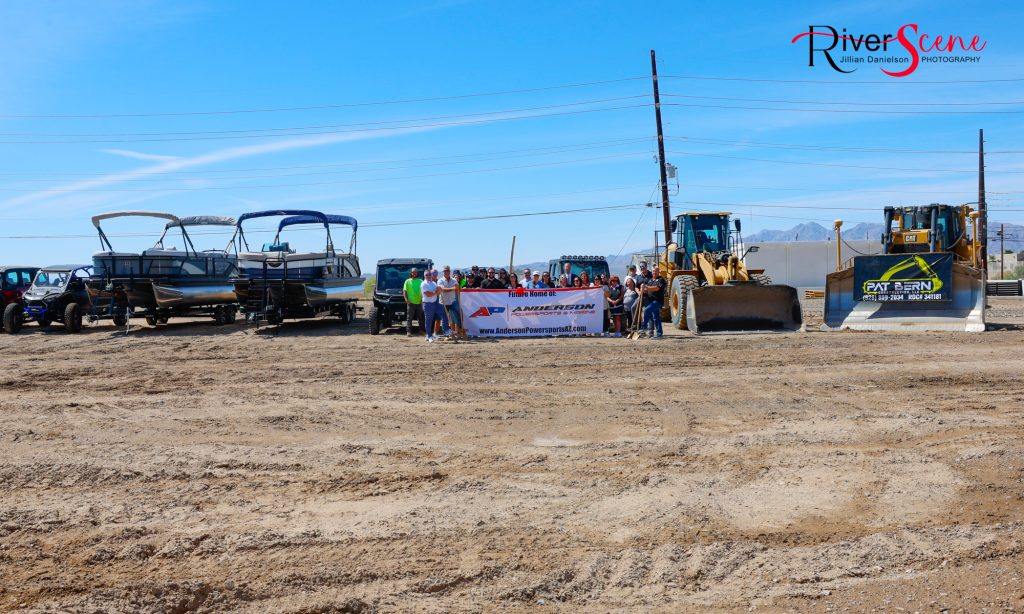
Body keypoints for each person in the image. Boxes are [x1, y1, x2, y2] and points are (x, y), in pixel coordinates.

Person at [640, 267, 666, 339]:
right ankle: (659, 334)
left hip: (657, 301)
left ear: (658, 272)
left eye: (655, 271)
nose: (654, 272)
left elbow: (657, 288)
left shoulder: (661, 280)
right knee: (656, 317)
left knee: (647, 310)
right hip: (651, 301)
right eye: (653, 271)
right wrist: (642, 288)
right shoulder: (650, 280)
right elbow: (646, 290)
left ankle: (644, 327)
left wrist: (646, 287)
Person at [437, 266, 461, 341]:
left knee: (458, 314)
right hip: (443, 303)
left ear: (449, 271)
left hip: (452, 301)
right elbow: (443, 289)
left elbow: (458, 288)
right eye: (444, 271)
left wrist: (458, 287)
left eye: (447, 270)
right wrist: (453, 288)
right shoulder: (440, 280)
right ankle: (447, 334)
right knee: (445, 319)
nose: (446, 272)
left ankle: (458, 332)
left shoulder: (454, 280)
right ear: (443, 272)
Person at [420, 269, 441, 343]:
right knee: (428, 320)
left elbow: (437, 293)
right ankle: (429, 336)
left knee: (433, 319)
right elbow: (428, 294)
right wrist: (436, 292)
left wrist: (438, 290)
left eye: (429, 275)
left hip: (434, 303)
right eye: (427, 275)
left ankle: (429, 335)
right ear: (424, 276)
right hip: (427, 304)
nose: (428, 276)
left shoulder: (434, 283)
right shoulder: (423, 284)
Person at [403, 267, 424, 337]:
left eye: (415, 272)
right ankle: (408, 332)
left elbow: (423, 291)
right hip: (410, 303)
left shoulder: (420, 281)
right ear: (411, 273)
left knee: (420, 317)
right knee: (409, 318)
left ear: (417, 273)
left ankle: (421, 330)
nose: (414, 273)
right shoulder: (407, 281)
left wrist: (422, 299)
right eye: (413, 272)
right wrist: (406, 299)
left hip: (419, 302)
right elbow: (404, 291)